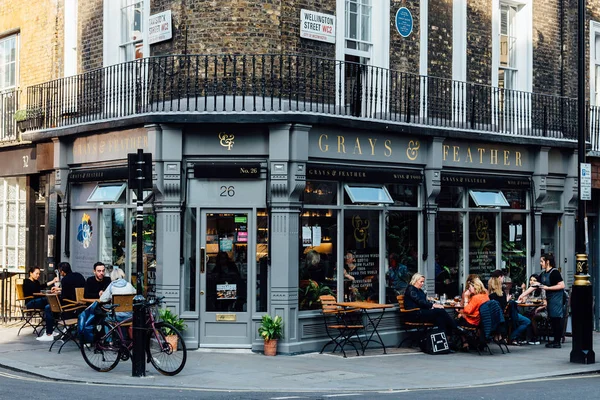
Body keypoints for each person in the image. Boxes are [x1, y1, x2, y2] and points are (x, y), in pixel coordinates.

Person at [522, 254, 565, 348]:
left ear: (547, 262)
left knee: (556, 319)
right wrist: (523, 295)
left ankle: (557, 342)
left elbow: (562, 285)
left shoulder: (555, 272)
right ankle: (555, 341)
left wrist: (548, 288)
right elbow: (535, 285)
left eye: (542, 261)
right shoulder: (543, 274)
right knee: (552, 319)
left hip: (556, 299)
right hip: (550, 298)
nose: (541, 264)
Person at [36, 262, 85, 342]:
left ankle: (49, 333)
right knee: (53, 307)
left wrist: (59, 294)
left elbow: (64, 297)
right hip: (81, 304)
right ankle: (62, 329)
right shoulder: (79, 276)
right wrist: (60, 290)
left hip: (70, 305)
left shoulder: (65, 279)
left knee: (49, 307)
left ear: (62, 271)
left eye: (59, 271)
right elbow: (73, 289)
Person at [404, 273, 457, 340]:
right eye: (421, 282)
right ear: (415, 281)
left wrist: (431, 304)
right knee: (440, 311)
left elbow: (424, 301)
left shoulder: (420, 290)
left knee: (441, 319)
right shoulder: (411, 289)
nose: (422, 283)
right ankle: (455, 328)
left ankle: (444, 342)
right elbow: (419, 301)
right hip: (414, 314)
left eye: (423, 282)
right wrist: (433, 305)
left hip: (421, 312)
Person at [488, 275, 530, 345]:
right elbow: (504, 306)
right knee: (527, 321)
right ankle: (513, 336)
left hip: (499, 317)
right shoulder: (501, 294)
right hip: (507, 315)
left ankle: (511, 336)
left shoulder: (490, 296)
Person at [518, 273, 547, 345]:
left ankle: (534, 337)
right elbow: (524, 300)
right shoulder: (529, 290)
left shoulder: (541, 290)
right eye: (531, 280)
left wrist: (538, 309)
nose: (532, 282)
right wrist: (523, 289)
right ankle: (525, 337)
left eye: (534, 280)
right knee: (523, 316)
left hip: (541, 311)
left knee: (531, 316)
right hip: (530, 310)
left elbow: (545, 304)